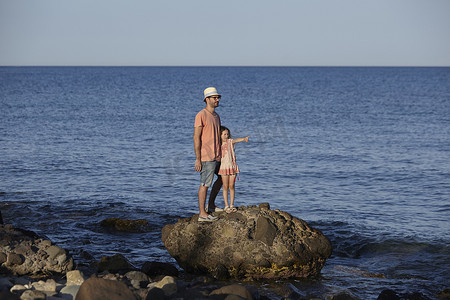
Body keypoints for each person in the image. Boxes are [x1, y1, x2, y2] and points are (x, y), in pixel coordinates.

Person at [194, 87, 224, 222]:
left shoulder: (217, 116)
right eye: (215, 98)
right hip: (206, 156)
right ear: (207, 99)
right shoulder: (201, 115)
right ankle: (202, 214)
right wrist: (198, 159)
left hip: (218, 155)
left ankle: (211, 205)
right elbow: (196, 137)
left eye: (218, 98)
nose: (217, 100)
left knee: (224, 177)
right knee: (205, 183)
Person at [218, 126, 249, 213]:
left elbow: (236, 140)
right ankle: (226, 206)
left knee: (231, 186)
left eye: (227, 134)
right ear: (220, 135)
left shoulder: (230, 142)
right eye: (224, 134)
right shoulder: (218, 144)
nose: (226, 136)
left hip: (232, 166)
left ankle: (232, 204)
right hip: (224, 167)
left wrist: (243, 139)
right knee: (225, 186)